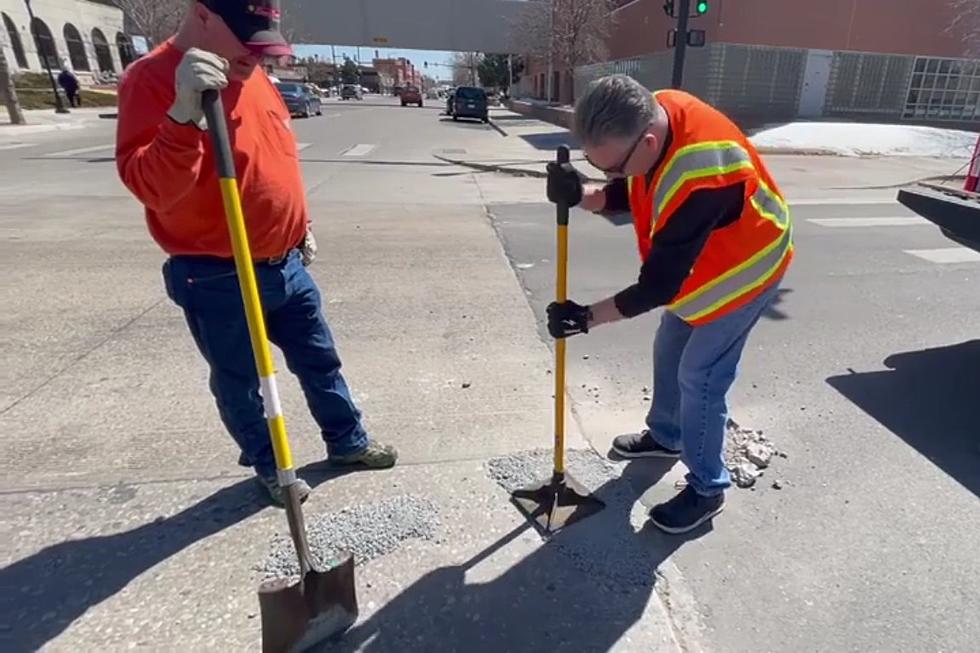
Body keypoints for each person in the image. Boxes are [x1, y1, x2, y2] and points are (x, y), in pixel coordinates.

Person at [114, 0, 397, 506]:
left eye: (264, 43)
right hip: (217, 275)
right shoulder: (151, 79)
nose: (256, 56)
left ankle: (347, 442)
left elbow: (275, 158)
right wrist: (183, 115)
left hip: (286, 263)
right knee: (243, 381)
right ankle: (272, 466)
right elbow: (152, 187)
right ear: (202, 16)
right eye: (247, 41)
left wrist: (299, 222)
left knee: (320, 362)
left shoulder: (257, 77)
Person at [546, 75, 793, 534]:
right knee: (668, 346)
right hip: (706, 262)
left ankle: (708, 487)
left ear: (649, 140)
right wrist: (583, 195)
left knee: (700, 375)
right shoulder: (653, 112)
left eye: (614, 167)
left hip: (748, 267)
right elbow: (635, 184)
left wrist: (583, 318)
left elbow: (657, 286)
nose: (612, 177)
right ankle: (667, 435)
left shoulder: (703, 176)